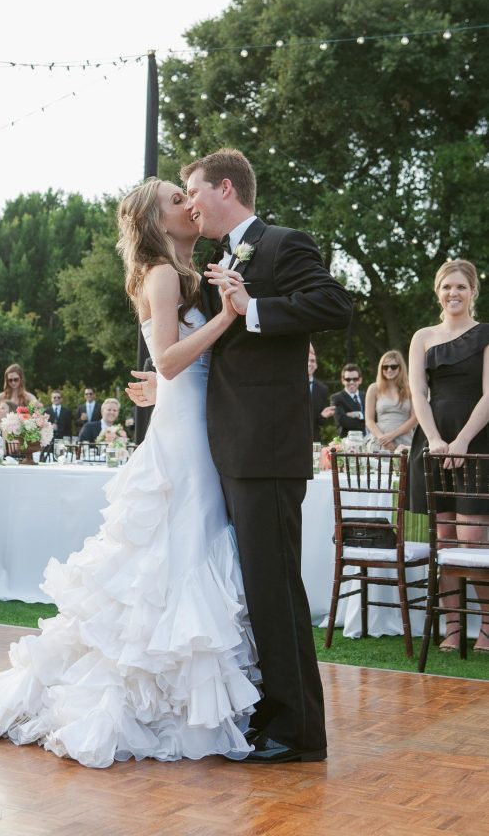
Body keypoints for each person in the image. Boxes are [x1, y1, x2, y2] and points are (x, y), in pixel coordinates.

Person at [0, 177, 260, 768]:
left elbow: (175, 364)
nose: (189, 205)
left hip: (189, 419)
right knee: (175, 552)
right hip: (183, 433)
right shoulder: (163, 274)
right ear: (153, 220)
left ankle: (180, 696)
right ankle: (164, 701)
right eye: (177, 200)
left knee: (186, 549)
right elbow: (171, 359)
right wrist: (229, 315)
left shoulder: (185, 271)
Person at [180, 146, 352, 763]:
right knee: (253, 590)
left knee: (275, 589)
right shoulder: (219, 260)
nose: (190, 203)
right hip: (230, 448)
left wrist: (256, 308)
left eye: (193, 190)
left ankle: (297, 731)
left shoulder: (283, 243)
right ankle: (268, 713)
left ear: (225, 187)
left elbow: (335, 305)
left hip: (267, 448)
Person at [408, 259, 489, 653]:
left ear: (474, 291)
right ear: (437, 292)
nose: (453, 293)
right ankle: (453, 628)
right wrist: (437, 440)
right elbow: (417, 394)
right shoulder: (422, 337)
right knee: (443, 539)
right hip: (432, 446)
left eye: (460, 287)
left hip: (477, 443)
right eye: (446, 287)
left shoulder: (486, 334)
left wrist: (461, 442)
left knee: (473, 538)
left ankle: (488, 627)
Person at [364, 349, 416, 450]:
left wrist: (392, 436)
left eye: (393, 366)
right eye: (385, 367)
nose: (389, 370)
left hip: (404, 440)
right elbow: (369, 420)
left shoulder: (410, 389)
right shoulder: (374, 388)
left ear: (401, 368)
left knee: (404, 465)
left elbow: (415, 419)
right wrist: (382, 439)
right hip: (380, 439)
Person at [331, 364, 367, 438]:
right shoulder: (336, 398)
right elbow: (343, 421)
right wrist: (367, 421)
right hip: (347, 441)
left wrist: (359, 414)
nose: (351, 382)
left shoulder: (366, 396)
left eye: (355, 379)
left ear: (360, 380)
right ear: (343, 380)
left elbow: (375, 416)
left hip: (367, 439)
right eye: (348, 379)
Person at [308, 344, 334, 442]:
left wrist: (323, 416)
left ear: (316, 365)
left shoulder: (322, 389)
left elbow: (320, 422)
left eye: (313, 361)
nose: (310, 363)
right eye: (307, 360)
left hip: (313, 438)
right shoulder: (292, 386)